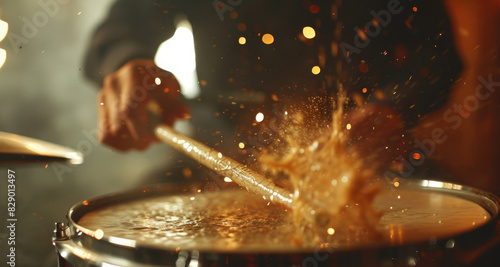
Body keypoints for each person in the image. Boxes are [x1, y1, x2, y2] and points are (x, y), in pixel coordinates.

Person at [84, 0, 500, 194]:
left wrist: (392, 109)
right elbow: (119, 30)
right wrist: (128, 62)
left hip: (369, 162)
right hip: (221, 155)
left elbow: (439, 54)